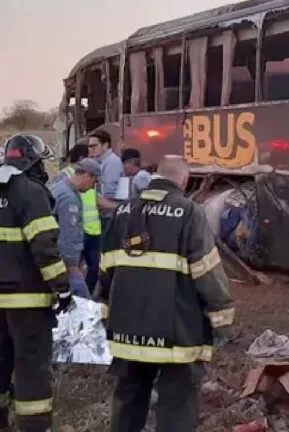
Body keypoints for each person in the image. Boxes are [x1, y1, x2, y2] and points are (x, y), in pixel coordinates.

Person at [99, 155, 234, 432]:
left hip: (127, 332)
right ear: (184, 180)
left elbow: (105, 273)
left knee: (129, 399)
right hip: (176, 334)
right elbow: (207, 273)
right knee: (176, 404)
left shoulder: (122, 212)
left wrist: (106, 320)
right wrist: (222, 321)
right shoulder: (189, 212)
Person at [0, 134, 73, 432]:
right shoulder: (31, 192)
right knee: (30, 365)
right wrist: (62, 287)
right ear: (31, 161)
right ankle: (34, 425)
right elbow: (44, 247)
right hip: (26, 300)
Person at [53, 144, 104, 294]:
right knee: (82, 304)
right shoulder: (69, 199)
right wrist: (73, 266)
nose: (93, 186)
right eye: (94, 182)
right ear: (87, 175)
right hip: (66, 264)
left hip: (57, 260)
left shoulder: (60, 189)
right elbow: (68, 235)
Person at [87, 129, 123, 230]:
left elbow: (109, 191)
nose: (91, 149)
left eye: (94, 146)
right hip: (102, 213)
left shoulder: (112, 162)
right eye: (89, 146)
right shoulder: (98, 161)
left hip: (109, 215)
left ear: (105, 145)